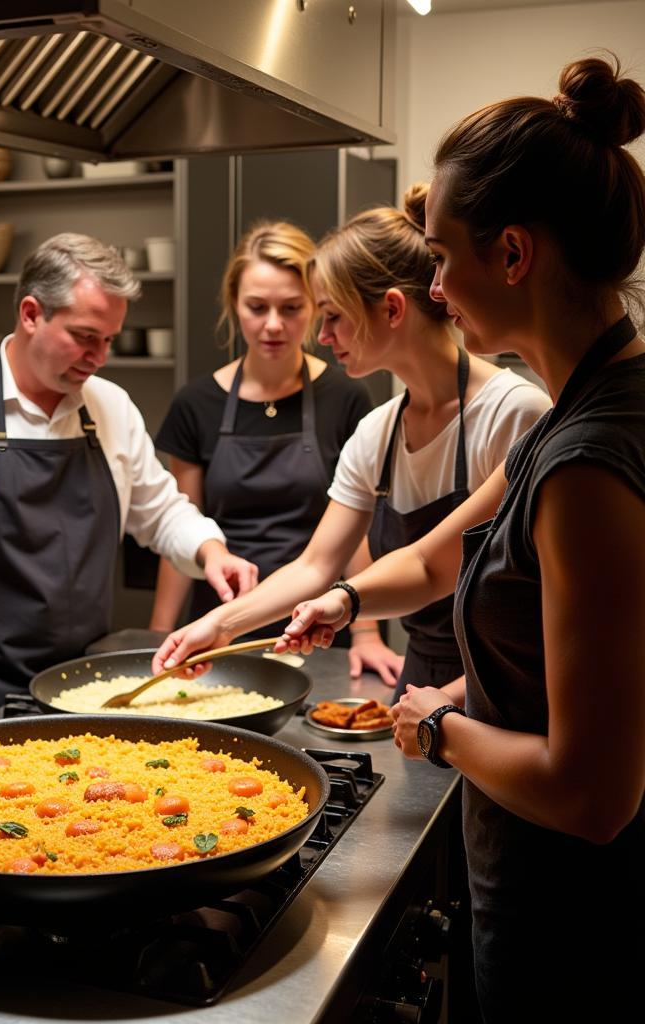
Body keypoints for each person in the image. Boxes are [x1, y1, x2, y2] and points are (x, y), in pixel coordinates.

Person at [277, 56, 645, 1022]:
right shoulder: (587, 407)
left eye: (441, 256)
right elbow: (441, 556)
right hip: (535, 887)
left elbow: (591, 794)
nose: (436, 286)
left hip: (571, 920)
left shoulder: (586, 463)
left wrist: (439, 729)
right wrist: (350, 601)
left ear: (514, 254)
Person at [153, 187, 551, 696]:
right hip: (422, 681)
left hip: (509, 681)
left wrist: (347, 604)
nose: (321, 335)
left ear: (390, 309)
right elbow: (316, 565)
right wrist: (222, 624)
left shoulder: (514, 413)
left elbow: (529, 602)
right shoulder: (379, 431)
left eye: (332, 315)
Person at [0, 232, 256, 730]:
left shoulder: (109, 404)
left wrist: (210, 551)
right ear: (30, 314)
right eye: (86, 336)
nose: (99, 356)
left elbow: (160, 509)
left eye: (108, 340)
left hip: (82, 685)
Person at [147, 221, 378, 665]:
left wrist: (366, 633)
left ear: (315, 306)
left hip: (318, 624)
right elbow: (179, 524)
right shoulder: (197, 403)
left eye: (292, 308)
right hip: (218, 623)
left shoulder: (345, 396)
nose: (273, 325)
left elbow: (358, 528)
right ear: (234, 305)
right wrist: (158, 631)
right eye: (257, 307)